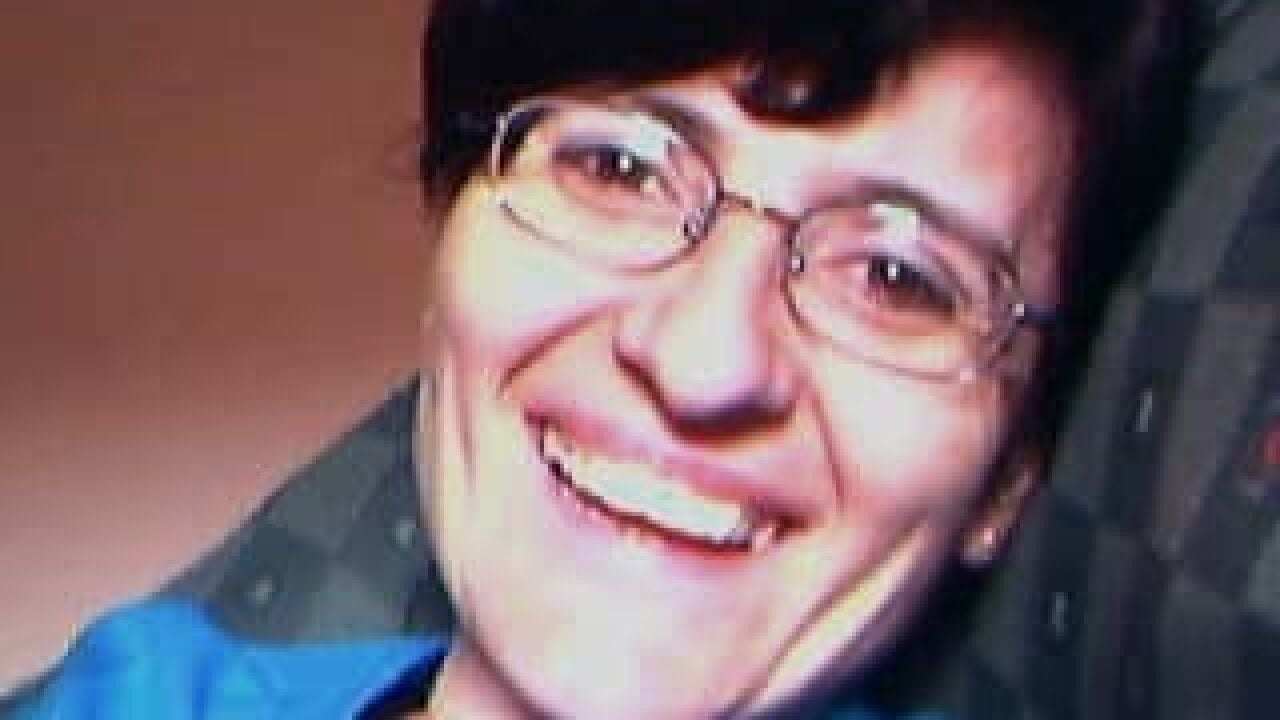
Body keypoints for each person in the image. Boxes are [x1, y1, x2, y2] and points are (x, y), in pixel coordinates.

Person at [8, 0, 1200, 717]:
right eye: (618, 167)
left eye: (897, 278)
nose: (699, 362)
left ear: (1009, 474)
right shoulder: (146, 694)